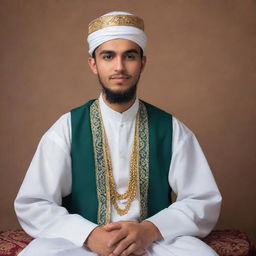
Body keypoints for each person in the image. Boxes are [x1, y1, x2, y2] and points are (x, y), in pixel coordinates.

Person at [14, 11, 222, 256]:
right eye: (108, 56)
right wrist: (89, 235)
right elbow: (34, 204)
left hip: (154, 242)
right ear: (93, 64)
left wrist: (150, 229)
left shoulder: (171, 128)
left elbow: (202, 200)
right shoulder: (67, 127)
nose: (119, 67)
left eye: (130, 56)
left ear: (142, 62)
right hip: (80, 242)